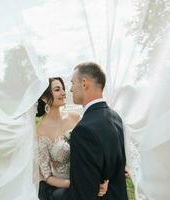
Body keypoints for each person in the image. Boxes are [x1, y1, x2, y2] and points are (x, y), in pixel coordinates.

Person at [61, 62, 128, 200]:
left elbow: (82, 194)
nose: (71, 90)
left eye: (73, 83)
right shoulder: (115, 117)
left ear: (84, 83)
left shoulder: (83, 130)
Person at [36, 77, 108, 200]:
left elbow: (94, 151)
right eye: (57, 89)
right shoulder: (40, 130)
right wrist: (74, 184)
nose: (64, 93)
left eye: (63, 89)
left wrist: (100, 179)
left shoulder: (75, 118)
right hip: (62, 188)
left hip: (87, 178)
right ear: (44, 98)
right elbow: (47, 176)